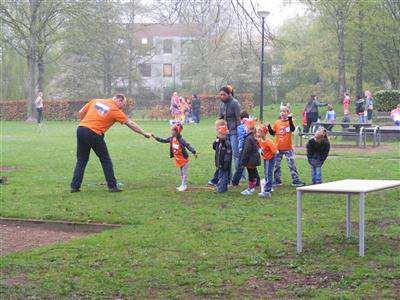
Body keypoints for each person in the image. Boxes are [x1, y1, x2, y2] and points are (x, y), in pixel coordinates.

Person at [70, 94, 151, 193]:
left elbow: (81, 112)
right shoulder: (115, 110)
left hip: (81, 129)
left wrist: (85, 123)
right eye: (122, 105)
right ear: (118, 100)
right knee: (105, 160)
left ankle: (75, 186)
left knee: (81, 159)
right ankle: (112, 186)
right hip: (94, 133)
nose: (122, 107)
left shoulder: (96, 101)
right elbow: (130, 123)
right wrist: (144, 133)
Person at [152, 122, 197, 192]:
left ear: (177, 132)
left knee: (184, 173)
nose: (171, 132)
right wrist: (155, 137)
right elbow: (164, 140)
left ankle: (184, 185)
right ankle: (182, 184)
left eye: (173, 130)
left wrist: (193, 152)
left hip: (183, 159)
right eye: (171, 130)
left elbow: (187, 145)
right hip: (178, 159)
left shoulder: (181, 140)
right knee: (181, 172)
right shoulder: (171, 138)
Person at [268, 106, 305, 187]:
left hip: (288, 148)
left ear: (288, 113)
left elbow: (292, 129)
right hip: (278, 148)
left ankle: (295, 180)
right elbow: (272, 133)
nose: (282, 113)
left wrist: (290, 119)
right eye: (281, 111)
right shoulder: (277, 122)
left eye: (284, 111)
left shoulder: (290, 121)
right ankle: (277, 180)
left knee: (291, 165)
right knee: (276, 165)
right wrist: (269, 127)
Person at [218, 86, 241, 180]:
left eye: (223, 94)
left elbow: (238, 119)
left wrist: (240, 134)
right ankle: (228, 177)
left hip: (234, 132)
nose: (221, 96)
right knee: (227, 155)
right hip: (225, 133)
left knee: (236, 154)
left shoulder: (235, 103)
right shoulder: (221, 104)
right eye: (220, 95)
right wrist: (219, 132)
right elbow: (220, 118)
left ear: (229, 94)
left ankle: (239, 177)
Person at [239, 118, 261, 196]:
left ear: (248, 128)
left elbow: (246, 150)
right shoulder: (252, 137)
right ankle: (253, 186)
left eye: (245, 127)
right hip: (253, 159)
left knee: (251, 174)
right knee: (253, 173)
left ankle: (250, 189)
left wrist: (243, 159)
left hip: (250, 160)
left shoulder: (248, 138)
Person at [256, 124, 277, 198]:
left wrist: (271, 156)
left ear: (264, 133)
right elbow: (260, 147)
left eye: (259, 132)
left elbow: (275, 151)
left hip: (270, 159)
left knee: (269, 173)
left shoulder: (268, 142)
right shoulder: (260, 140)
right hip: (265, 158)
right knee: (266, 172)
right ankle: (269, 186)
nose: (257, 133)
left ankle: (267, 191)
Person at [213, 123, 232, 193]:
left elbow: (228, 154)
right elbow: (214, 147)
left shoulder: (227, 143)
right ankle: (223, 188)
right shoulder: (219, 142)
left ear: (224, 135)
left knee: (223, 177)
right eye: (218, 134)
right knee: (221, 176)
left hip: (224, 164)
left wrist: (226, 163)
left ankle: (221, 189)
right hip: (219, 162)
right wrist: (216, 141)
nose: (218, 135)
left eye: (220, 134)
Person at [232, 110, 249, 186]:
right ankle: (257, 181)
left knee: (241, 166)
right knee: (250, 166)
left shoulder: (240, 127)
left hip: (244, 148)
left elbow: (241, 138)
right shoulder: (251, 125)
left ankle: (235, 181)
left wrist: (240, 148)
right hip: (250, 148)